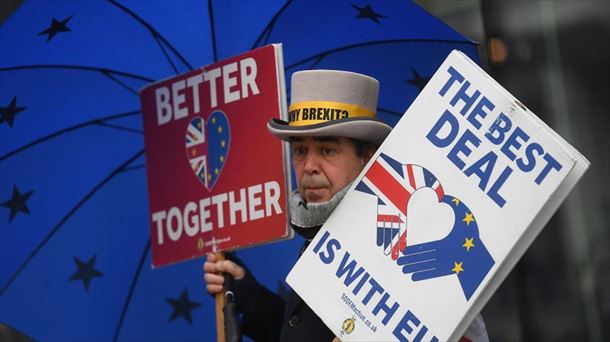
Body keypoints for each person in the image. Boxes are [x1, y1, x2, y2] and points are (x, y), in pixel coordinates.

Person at [204, 70, 489, 341]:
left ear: (367, 159)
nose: (309, 167)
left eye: (327, 150)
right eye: (300, 150)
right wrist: (248, 294)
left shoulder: (407, 243)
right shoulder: (320, 234)